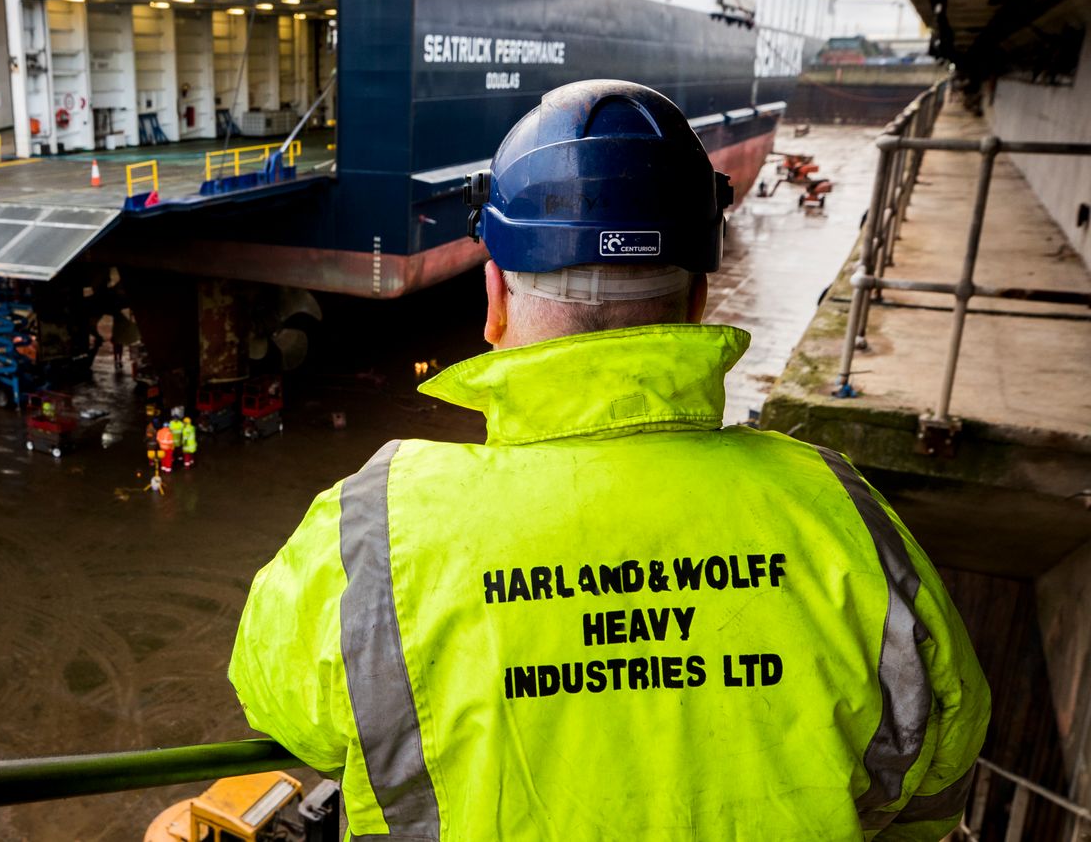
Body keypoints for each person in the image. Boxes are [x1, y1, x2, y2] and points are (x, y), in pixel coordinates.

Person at [229, 80, 989, 841]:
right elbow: (937, 768)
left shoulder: (374, 527)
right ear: (698, 301)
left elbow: (283, 708)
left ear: (493, 294)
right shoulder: (840, 512)